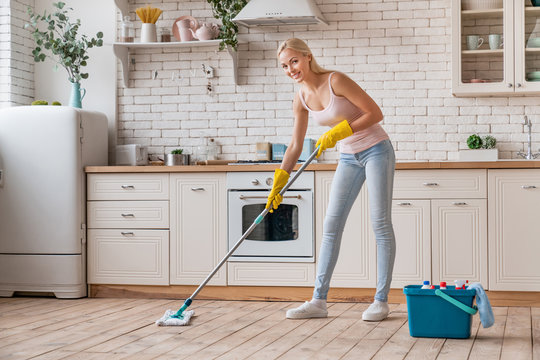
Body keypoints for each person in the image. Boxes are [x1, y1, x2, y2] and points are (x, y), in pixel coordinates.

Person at [266, 38, 396, 322]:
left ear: (308, 57)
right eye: (285, 66)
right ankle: (318, 301)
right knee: (331, 225)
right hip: (348, 157)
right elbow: (295, 146)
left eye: (294, 61)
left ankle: (381, 301)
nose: (291, 69)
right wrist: (280, 180)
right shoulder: (300, 98)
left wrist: (339, 131)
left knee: (380, 223)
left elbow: (375, 113)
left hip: (376, 150)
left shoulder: (336, 80)